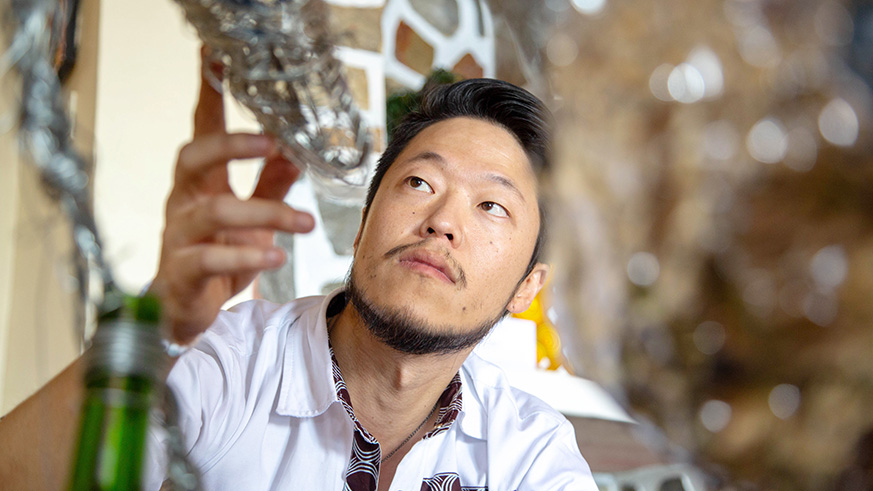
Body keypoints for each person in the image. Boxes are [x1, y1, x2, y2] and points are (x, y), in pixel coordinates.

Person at [0, 57, 597, 490]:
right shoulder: (227, 361)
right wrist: (160, 322)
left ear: (527, 287)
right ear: (362, 228)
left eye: (492, 206)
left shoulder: (532, 451)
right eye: (420, 182)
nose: (442, 221)